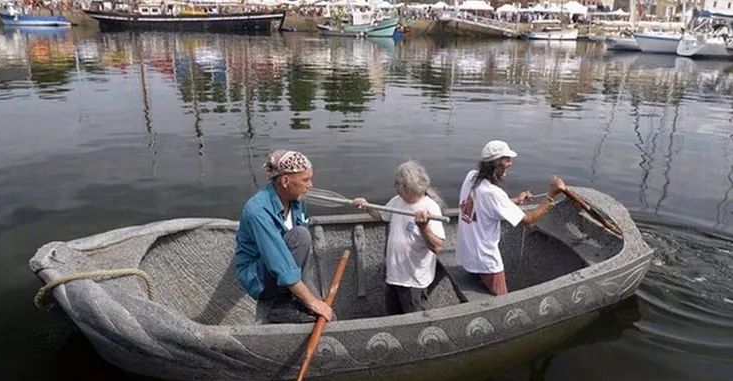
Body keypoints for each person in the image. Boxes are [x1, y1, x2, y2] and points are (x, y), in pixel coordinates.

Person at [456, 140, 566, 296]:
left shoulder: (471, 177)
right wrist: (551, 195)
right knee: (504, 300)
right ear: (496, 163)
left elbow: (486, 204)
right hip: (485, 260)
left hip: (466, 255)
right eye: (507, 159)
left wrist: (516, 200)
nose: (511, 163)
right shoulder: (493, 193)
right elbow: (528, 220)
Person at [235, 149, 333, 324]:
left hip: (289, 270)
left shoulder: (297, 200)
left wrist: (314, 299)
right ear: (285, 180)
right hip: (260, 279)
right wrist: (311, 301)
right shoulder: (258, 210)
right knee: (300, 236)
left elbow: (298, 254)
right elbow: (278, 261)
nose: (310, 185)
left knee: (327, 317)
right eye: (305, 180)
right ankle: (280, 307)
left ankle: (294, 298)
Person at [353, 161, 446, 314]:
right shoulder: (397, 201)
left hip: (413, 280)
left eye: (397, 183)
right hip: (393, 275)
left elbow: (437, 247)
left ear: (407, 186)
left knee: (413, 318)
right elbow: (382, 216)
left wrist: (423, 228)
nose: (394, 185)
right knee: (394, 315)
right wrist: (366, 206)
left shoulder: (430, 207)